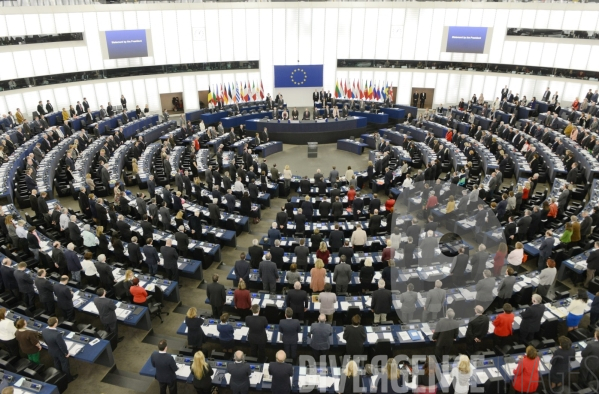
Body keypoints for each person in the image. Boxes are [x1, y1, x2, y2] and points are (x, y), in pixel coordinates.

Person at [42, 317, 77, 381]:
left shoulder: (44, 330)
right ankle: (68, 378)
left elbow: (45, 341)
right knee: (65, 365)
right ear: (55, 324)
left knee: (56, 362)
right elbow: (62, 346)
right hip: (59, 353)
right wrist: (66, 353)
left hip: (51, 350)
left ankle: (59, 375)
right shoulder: (57, 334)